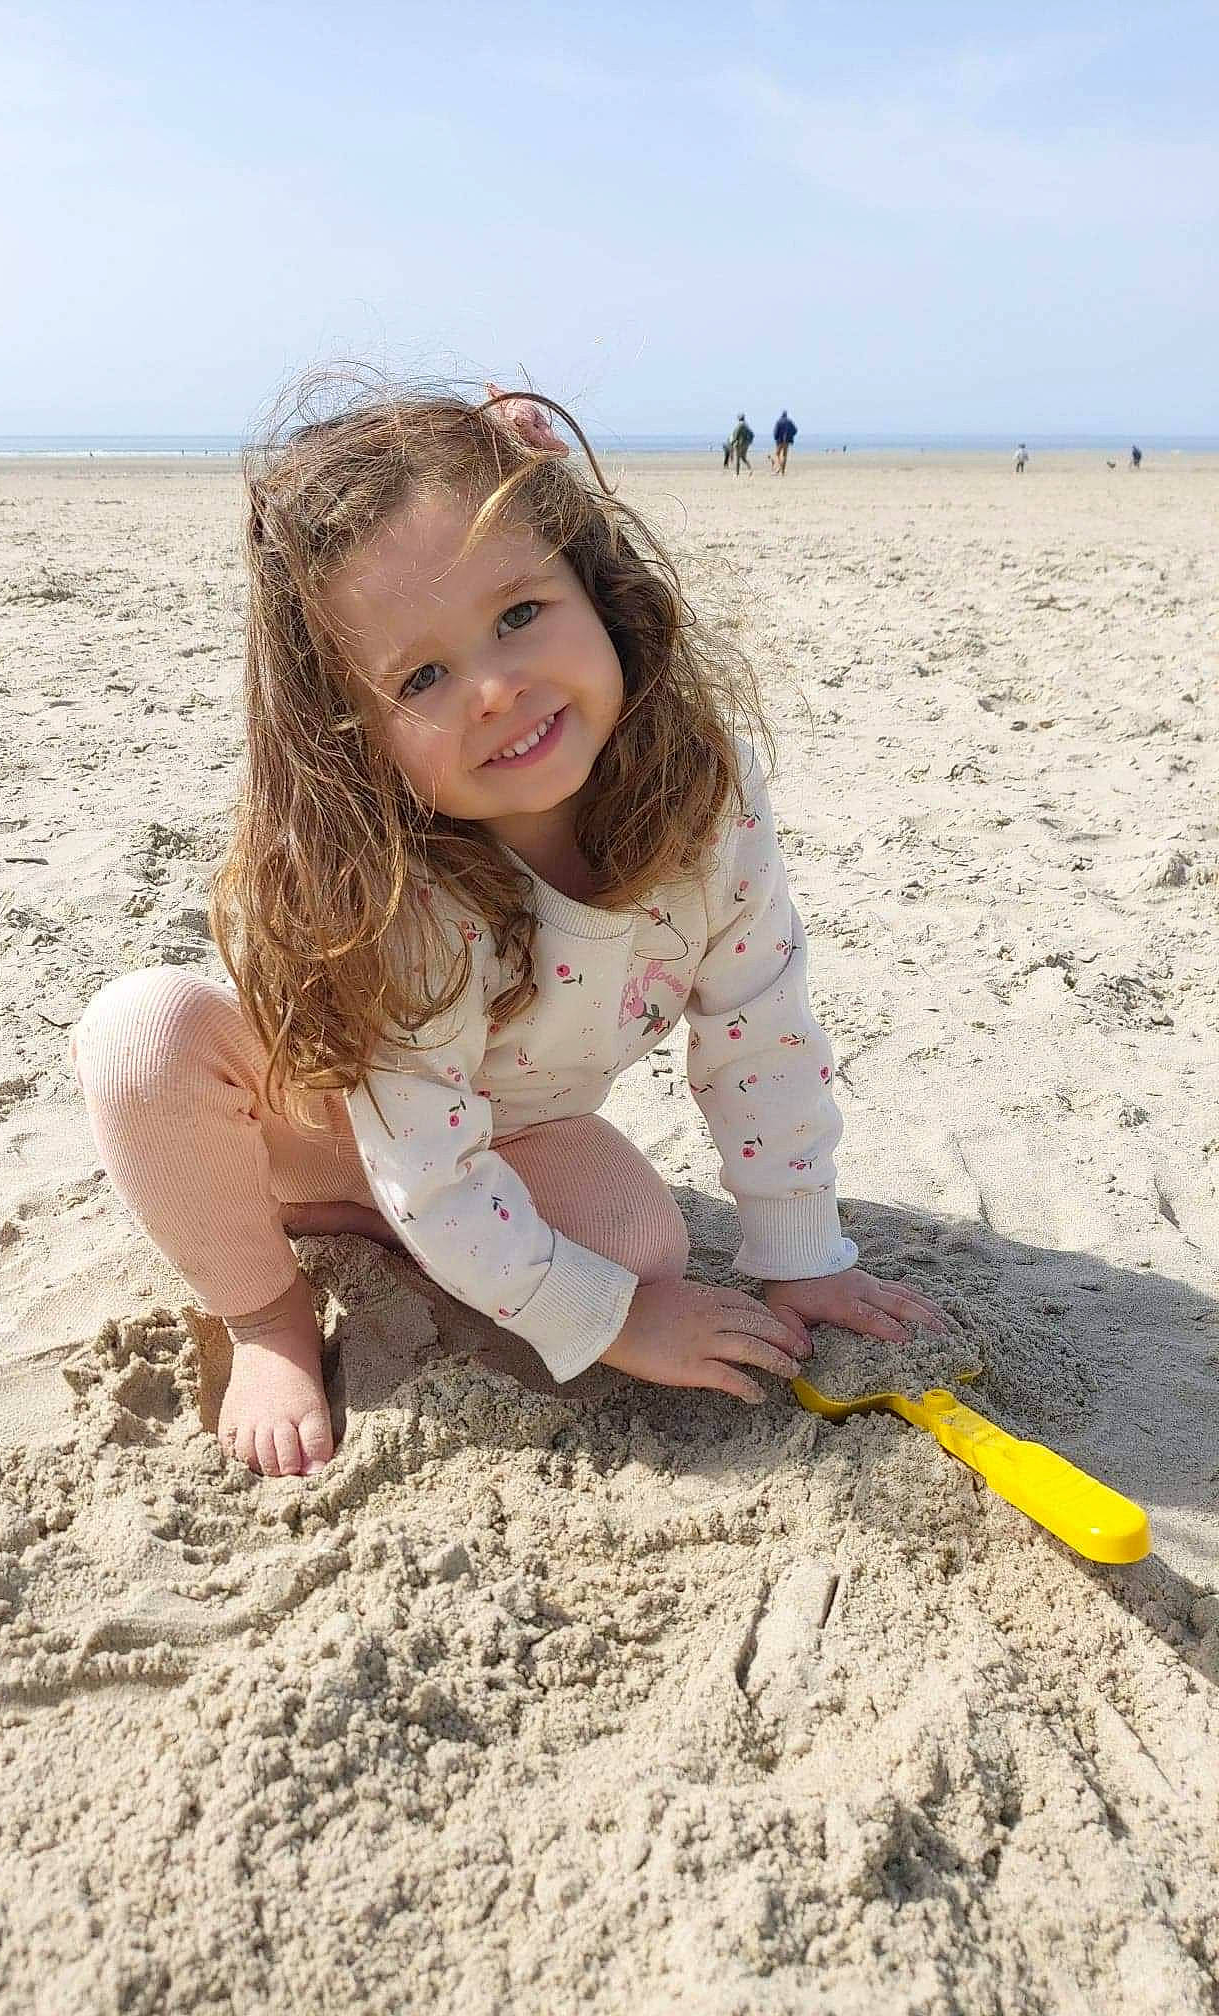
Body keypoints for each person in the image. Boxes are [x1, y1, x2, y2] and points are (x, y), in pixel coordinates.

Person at [71, 377, 948, 1477]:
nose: (494, 688)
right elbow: (429, 1166)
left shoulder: (704, 801)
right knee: (144, 1035)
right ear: (354, 735)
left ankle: (387, 1225)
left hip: (501, 1130)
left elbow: (760, 1029)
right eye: (424, 675)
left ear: (598, 586)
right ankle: (266, 1310)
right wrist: (611, 1326)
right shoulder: (400, 888)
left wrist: (798, 1253)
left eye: (521, 614)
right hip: (299, 1117)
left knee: (644, 1248)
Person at [773, 409, 798, 475]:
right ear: (786, 415)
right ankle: (782, 471)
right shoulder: (789, 422)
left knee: (777, 454)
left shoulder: (779, 421)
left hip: (780, 441)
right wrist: (790, 436)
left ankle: (780, 466)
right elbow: (795, 430)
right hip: (787, 441)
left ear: (782, 415)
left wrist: (776, 438)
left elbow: (775, 432)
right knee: (784, 455)